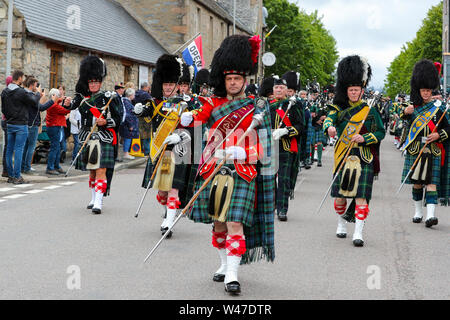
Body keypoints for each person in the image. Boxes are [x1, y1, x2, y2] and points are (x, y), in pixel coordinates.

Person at [180, 35, 275, 295]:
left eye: (237, 79)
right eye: (229, 79)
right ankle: (224, 264)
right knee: (219, 223)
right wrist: (187, 119)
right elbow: (199, 120)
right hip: (215, 168)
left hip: (243, 172)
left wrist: (243, 152)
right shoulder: (213, 104)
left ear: (245, 80)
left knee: (235, 223)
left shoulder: (258, 107)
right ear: (224, 79)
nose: (232, 83)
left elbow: (266, 148)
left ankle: (233, 274)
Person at [323, 55, 385, 247]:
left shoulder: (370, 111)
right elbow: (328, 120)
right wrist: (330, 129)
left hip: (363, 156)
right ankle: (342, 222)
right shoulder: (337, 108)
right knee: (340, 198)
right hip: (343, 154)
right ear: (346, 90)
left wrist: (365, 138)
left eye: (356, 90)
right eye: (350, 90)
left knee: (361, 196)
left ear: (362, 90)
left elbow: (381, 132)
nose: (353, 93)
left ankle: (358, 232)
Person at [134, 55, 198, 238]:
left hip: (180, 151)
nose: (168, 87)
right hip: (160, 150)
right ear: (161, 84)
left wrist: (181, 135)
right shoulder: (154, 103)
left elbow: (198, 129)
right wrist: (139, 110)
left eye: (172, 84)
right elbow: (146, 114)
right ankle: (169, 210)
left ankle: (169, 222)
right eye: (166, 84)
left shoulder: (187, 104)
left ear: (177, 84)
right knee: (162, 191)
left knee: (173, 188)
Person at [68, 56, 122, 215]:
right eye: (91, 82)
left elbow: (119, 118)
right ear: (87, 82)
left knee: (101, 170)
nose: (93, 84)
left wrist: (106, 122)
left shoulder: (109, 97)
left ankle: (99, 200)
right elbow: (71, 106)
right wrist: (65, 104)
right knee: (92, 170)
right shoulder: (81, 97)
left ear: (100, 82)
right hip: (87, 137)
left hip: (104, 137)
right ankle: (93, 197)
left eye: (96, 82)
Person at [400, 59, 450, 228]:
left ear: (432, 89)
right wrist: (405, 112)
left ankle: (430, 215)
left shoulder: (440, 107)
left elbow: (449, 129)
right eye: (423, 90)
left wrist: (438, 135)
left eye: (428, 90)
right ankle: (418, 212)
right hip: (416, 148)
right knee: (417, 183)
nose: (426, 93)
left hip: (433, 149)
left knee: (431, 182)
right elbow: (404, 119)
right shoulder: (412, 106)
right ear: (418, 90)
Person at [270, 76, 304, 221]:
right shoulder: (266, 105)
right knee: (269, 179)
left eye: (281, 88)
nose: (278, 90)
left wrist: (286, 131)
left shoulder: (293, 105)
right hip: (269, 147)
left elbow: (300, 126)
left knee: (283, 180)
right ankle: (271, 206)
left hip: (286, 147)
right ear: (273, 90)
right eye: (276, 87)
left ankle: (282, 209)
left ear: (286, 90)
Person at [1, 70, 40, 184]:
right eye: (22, 78)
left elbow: (3, 109)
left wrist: (9, 118)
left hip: (9, 123)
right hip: (21, 124)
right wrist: (37, 94)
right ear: (19, 78)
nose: (23, 80)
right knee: (18, 150)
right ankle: (17, 176)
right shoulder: (21, 92)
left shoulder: (4, 92)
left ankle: (11, 176)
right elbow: (33, 102)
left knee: (9, 150)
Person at [22, 76, 55, 174]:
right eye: (37, 85)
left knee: (26, 146)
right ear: (32, 85)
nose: (38, 87)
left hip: (27, 123)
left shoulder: (26, 94)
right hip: (32, 124)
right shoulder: (31, 95)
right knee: (30, 147)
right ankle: (27, 168)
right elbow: (41, 107)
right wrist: (52, 101)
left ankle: (23, 167)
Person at [45, 89, 71, 175]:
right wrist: (68, 104)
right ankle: (50, 167)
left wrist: (62, 98)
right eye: (58, 95)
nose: (59, 97)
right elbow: (65, 111)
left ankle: (56, 166)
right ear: (54, 96)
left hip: (54, 127)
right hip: (54, 127)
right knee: (54, 148)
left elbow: (57, 101)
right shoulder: (54, 106)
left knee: (57, 147)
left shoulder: (52, 103)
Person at [134, 83, 153, 156]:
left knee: (140, 133)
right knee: (147, 134)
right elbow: (151, 104)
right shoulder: (146, 95)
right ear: (146, 87)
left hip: (138, 116)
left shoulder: (136, 93)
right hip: (145, 117)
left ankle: (141, 149)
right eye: (148, 87)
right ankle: (147, 151)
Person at [120, 88, 139, 160]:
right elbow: (128, 115)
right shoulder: (126, 102)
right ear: (130, 95)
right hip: (127, 125)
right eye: (133, 94)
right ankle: (126, 153)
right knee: (127, 138)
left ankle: (126, 152)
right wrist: (130, 125)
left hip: (127, 124)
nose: (134, 96)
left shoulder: (126, 101)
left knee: (127, 138)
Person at [1, 75, 13, 178]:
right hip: (7, 121)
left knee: (8, 146)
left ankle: (6, 169)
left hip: (5, 120)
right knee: (8, 146)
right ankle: (6, 170)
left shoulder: (6, 91)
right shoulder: (8, 92)